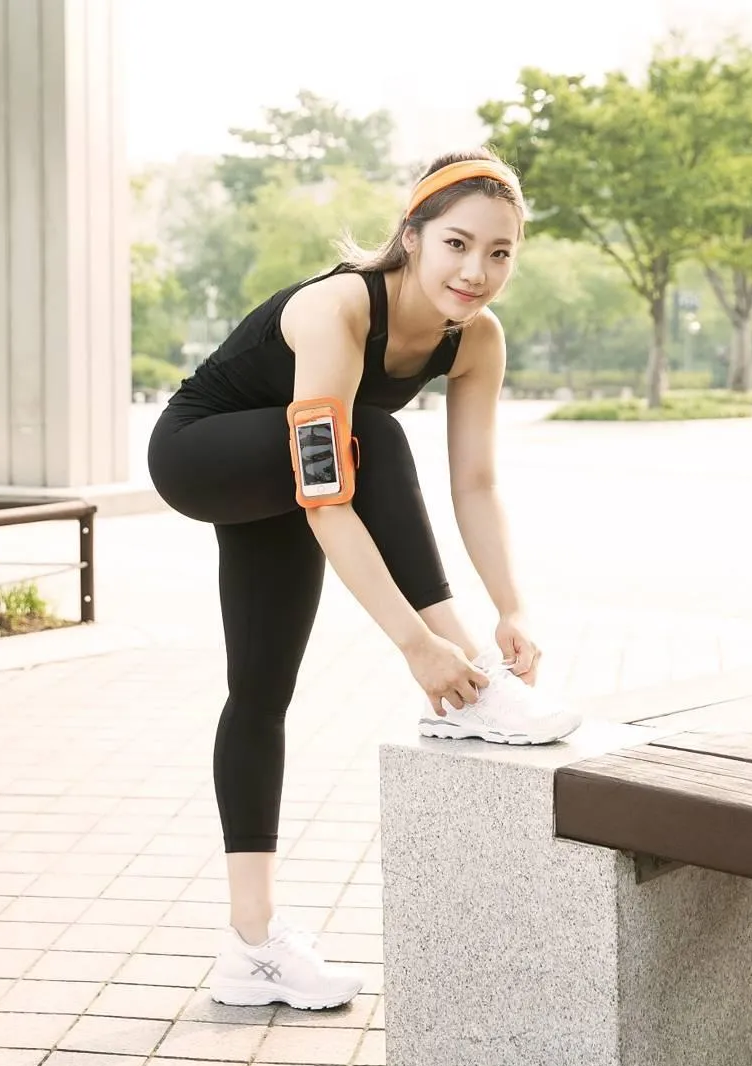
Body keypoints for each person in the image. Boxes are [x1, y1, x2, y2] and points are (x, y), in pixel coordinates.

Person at [147, 147, 581, 1012]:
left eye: (500, 253)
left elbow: (477, 484)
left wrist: (511, 607)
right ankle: (477, 688)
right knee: (373, 437)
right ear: (411, 237)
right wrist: (423, 646)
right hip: (202, 454)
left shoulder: (476, 341)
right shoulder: (337, 309)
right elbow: (327, 491)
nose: (477, 271)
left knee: (261, 692)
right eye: (457, 243)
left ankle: (251, 947)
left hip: (301, 479)